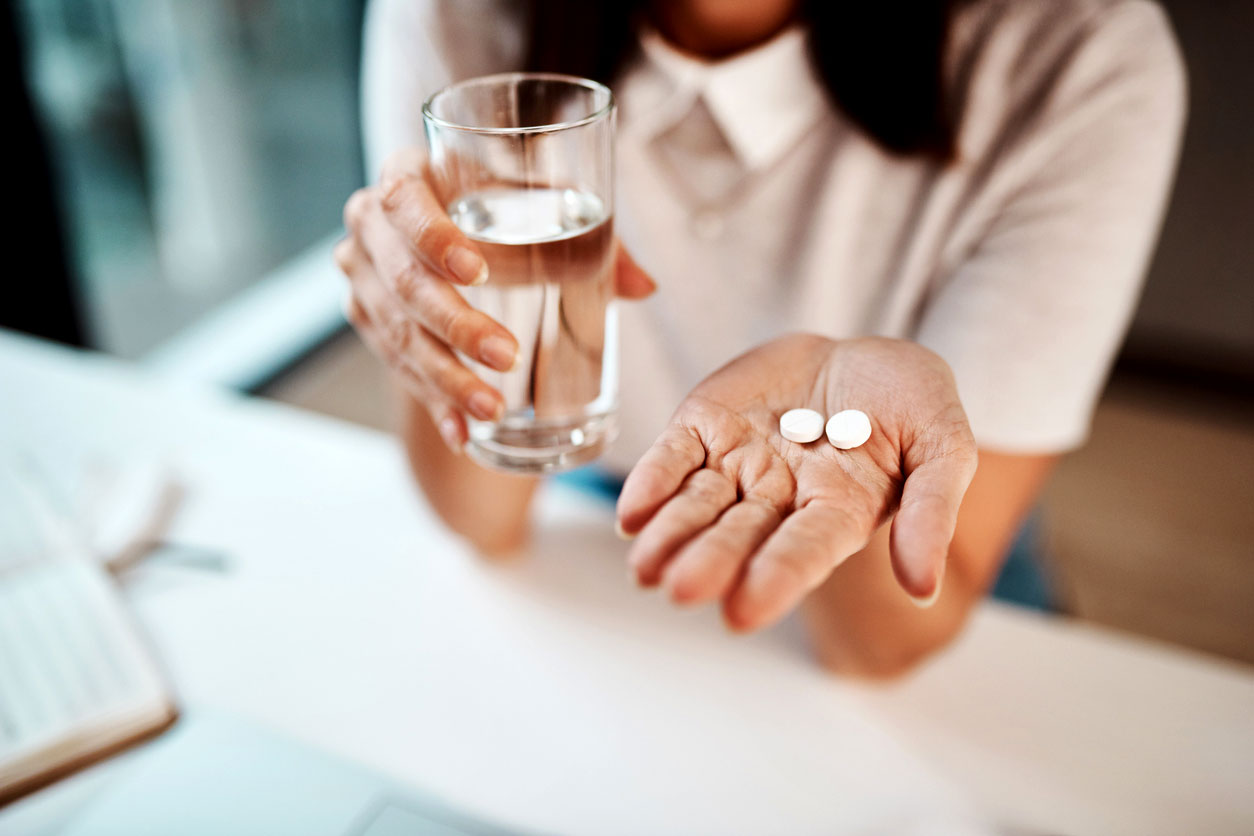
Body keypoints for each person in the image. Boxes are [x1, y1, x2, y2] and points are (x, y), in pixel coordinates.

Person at [335, 0, 1185, 676]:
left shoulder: (1082, 55)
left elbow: (879, 650)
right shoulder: (458, 17)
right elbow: (480, 521)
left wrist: (869, 469)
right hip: (613, 507)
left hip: (929, 568)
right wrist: (442, 328)